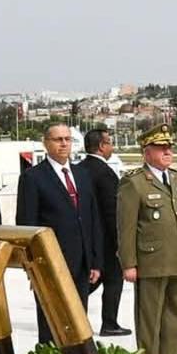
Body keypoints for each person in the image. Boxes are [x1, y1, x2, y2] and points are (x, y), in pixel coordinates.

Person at [115, 125, 177, 354]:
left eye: (169, 147)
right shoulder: (134, 182)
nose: (168, 152)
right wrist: (128, 263)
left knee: (174, 320)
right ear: (146, 152)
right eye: (161, 148)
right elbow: (126, 227)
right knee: (150, 323)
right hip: (151, 263)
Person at [15, 123, 102, 344]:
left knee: (78, 324)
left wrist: (95, 261)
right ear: (46, 144)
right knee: (52, 324)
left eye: (67, 139)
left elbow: (92, 219)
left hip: (82, 264)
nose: (64, 144)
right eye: (58, 139)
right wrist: (32, 267)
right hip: (50, 265)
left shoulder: (82, 175)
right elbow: (26, 225)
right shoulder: (33, 178)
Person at [78, 127, 130, 336]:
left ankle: (73, 315)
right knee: (113, 280)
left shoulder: (79, 169)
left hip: (86, 236)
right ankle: (109, 323)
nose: (112, 147)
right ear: (101, 146)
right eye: (109, 142)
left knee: (89, 280)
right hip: (106, 239)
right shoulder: (105, 174)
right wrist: (119, 242)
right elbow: (111, 211)